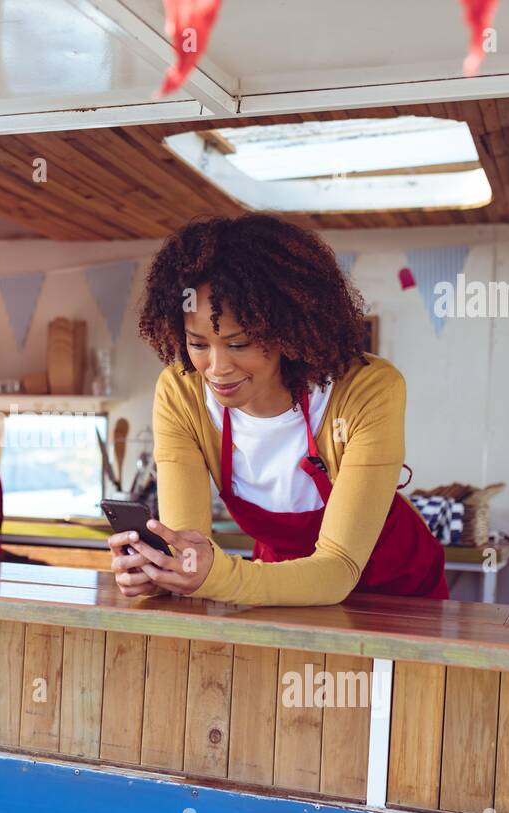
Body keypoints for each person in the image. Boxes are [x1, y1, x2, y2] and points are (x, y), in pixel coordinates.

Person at [109, 213, 447, 605]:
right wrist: (164, 571)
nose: (217, 369)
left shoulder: (368, 390)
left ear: (286, 331)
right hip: (274, 585)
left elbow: (337, 570)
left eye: (239, 344)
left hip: (395, 592)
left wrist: (212, 576)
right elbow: (188, 545)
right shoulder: (180, 393)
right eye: (198, 344)